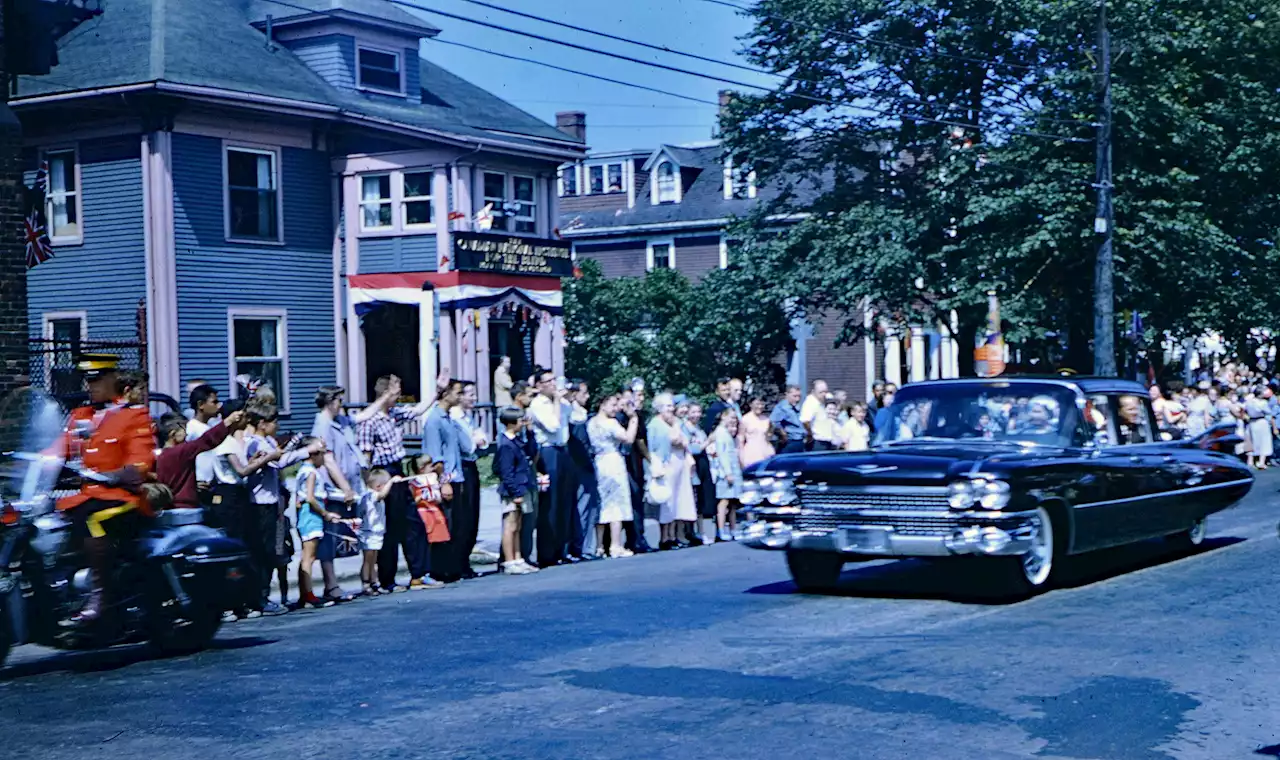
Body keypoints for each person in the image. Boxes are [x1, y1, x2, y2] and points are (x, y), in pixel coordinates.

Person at [58, 353, 157, 626]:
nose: (90, 386)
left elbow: (141, 461)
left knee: (92, 520)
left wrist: (116, 474)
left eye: (97, 380)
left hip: (122, 498)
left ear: (112, 379)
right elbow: (58, 450)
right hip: (87, 496)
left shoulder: (133, 415)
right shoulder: (81, 416)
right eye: (87, 380)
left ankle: (101, 597)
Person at [357, 375, 433, 592]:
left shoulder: (395, 414)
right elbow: (365, 456)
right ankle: (387, 579)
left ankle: (419, 574)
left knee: (412, 523)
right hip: (382, 473)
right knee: (388, 528)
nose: (400, 394)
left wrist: (436, 390)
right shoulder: (369, 421)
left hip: (398, 470)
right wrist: (370, 487)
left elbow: (417, 411)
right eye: (396, 390)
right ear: (385, 393)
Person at [245, 403, 321, 614]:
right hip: (259, 504)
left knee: (275, 550)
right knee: (264, 551)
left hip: (273, 503)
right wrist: (306, 450)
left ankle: (265, 595)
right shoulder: (253, 444)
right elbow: (278, 463)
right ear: (262, 424)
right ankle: (259, 597)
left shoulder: (268, 441)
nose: (277, 426)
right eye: (273, 422)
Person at [156, 409, 244, 511]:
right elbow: (206, 441)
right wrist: (228, 421)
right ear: (173, 434)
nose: (187, 434)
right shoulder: (181, 451)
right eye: (184, 430)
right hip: (184, 509)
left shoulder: (159, 455)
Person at [529, 370, 574, 567]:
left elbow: (575, 417)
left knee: (565, 500)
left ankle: (561, 549)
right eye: (548, 381)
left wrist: (566, 399)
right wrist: (557, 401)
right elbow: (553, 426)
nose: (553, 384)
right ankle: (547, 552)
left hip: (563, 449)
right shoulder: (538, 405)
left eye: (554, 380)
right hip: (548, 451)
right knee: (551, 502)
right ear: (539, 385)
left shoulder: (561, 402)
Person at [424, 379, 467, 582]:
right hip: (446, 479)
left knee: (456, 525)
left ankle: (453, 567)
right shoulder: (435, 420)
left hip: (456, 476)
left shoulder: (449, 418)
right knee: (444, 525)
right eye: (457, 392)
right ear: (446, 393)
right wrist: (443, 481)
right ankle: (440, 569)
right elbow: (435, 456)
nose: (460, 396)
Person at [292, 438, 341, 609]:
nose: (324, 457)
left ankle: (304, 594)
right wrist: (326, 514)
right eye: (322, 454)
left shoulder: (303, 471)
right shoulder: (311, 472)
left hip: (306, 514)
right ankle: (309, 596)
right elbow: (311, 498)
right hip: (311, 516)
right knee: (309, 557)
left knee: (306, 556)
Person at [589, 394, 638, 558]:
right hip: (612, 460)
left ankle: (599, 545)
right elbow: (628, 439)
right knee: (617, 501)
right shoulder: (610, 423)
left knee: (603, 501)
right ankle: (615, 545)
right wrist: (633, 419)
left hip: (599, 460)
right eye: (613, 405)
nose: (616, 409)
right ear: (602, 405)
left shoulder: (592, 422)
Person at [648, 392, 697, 549]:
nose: (671, 409)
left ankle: (673, 535)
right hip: (665, 465)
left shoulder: (672, 423)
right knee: (667, 502)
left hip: (678, 464)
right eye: (668, 406)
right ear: (659, 408)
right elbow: (674, 440)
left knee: (676, 501)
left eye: (671, 405)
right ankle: (664, 538)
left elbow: (685, 441)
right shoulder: (655, 424)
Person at [493, 407, 539, 574]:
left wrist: (530, 432)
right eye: (520, 421)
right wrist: (515, 492)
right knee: (509, 525)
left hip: (522, 485)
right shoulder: (505, 445)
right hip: (513, 490)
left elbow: (532, 452)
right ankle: (509, 560)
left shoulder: (517, 441)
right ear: (511, 423)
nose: (523, 423)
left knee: (518, 525)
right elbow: (506, 472)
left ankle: (518, 557)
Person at [451, 380, 487, 579]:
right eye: (469, 394)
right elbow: (468, 444)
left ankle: (465, 561)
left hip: (472, 465)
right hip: (462, 465)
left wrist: (477, 440)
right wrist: (476, 440)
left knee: (473, 514)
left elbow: (482, 438)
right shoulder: (456, 418)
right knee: (464, 515)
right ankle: (459, 563)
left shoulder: (470, 417)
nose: (473, 398)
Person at [567, 379, 600, 559]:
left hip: (586, 464)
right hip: (580, 465)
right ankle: (580, 546)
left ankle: (587, 546)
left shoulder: (583, 414)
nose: (587, 397)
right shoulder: (574, 416)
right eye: (584, 393)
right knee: (582, 506)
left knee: (590, 505)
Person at [358, 469, 395, 595]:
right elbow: (381, 495)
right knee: (368, 559)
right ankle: (366, 582)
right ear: (378, 486)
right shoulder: (371, 495)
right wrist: (392, 481)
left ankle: (374, 582)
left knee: (374, 559)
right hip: (369, 531)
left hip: (377, 531)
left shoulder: (374, 495)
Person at [708, 409, 742, 542]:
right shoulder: (720, 433)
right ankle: (721, 530)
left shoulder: (726, 433)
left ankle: (733, 529)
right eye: (731, 417)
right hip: (725, 472)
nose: (733, 420)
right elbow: (722, 455)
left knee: (733, 502)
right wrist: (728, 473)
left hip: (733, 470)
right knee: (724, 501)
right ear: (723, 417)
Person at [186, 384, 222, 505]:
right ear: (201, 405)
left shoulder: (209, 428)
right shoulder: (191, 429)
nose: (218, 405)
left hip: (211, 485)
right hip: (199, 486)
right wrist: (193, 481)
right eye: (214, 402)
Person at [685, 402, 714, 545]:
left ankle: (701, 531)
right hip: (693, 465)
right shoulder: (686, 428)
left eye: (698, 412)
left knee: (701, 499)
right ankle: (691, 531)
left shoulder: (698, 429)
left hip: (703, 464)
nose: (696, 415)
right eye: (693, 412)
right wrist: (708, 441)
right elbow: (693, 449)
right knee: (694, 499)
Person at [769, 385, 807, 454]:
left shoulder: (795, 407)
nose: (797, 399)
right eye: (794, 396)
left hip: (799, 441)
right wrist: (783, 434)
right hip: (789, 442)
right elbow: (773, 422)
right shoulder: (782, 407)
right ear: (787, 394)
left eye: (799, 396)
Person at [739, 396, 775, 467]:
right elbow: (741, 439)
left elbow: (768, 437)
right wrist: (741, 456)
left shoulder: (766, 419)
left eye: (762, 404)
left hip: (765, 449)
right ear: (751, 404)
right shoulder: (745, 419)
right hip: (751, 451)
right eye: (757, 404)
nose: (760, 406)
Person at [799, 379, 829, 445]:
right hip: (817, 441)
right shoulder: (810, 402)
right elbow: (805, 421)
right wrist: (810, 434)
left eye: (825, 392)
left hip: (825, 440)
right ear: (813, 391)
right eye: (821, 392)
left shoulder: (821, 401)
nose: (824, 394)